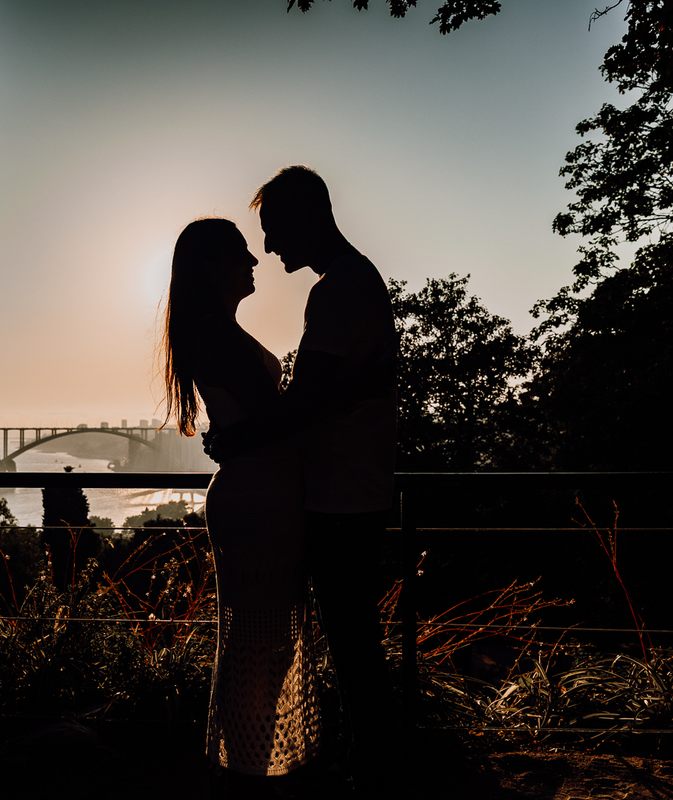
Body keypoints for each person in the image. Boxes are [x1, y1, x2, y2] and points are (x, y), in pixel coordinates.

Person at [207, 166, 399, 794]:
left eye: (272, 230)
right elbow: (329, 392)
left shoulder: (339, 289)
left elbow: (309, 399)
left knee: (350, 636)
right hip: (347, 487)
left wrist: (237, 439)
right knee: (348, 634)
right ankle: (365, 757)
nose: (267, 247)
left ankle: (372, 765)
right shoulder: (353, 281)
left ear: (305, 218)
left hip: (343, 493)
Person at [160, 217, 321, 781]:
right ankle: (245, 768)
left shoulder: (215, 331)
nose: (254, 264)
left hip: (261, 495)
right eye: (241, 255)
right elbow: (276, 417)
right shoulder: (215, 334)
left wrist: (235, 437)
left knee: (260, 643)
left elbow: (259, 419)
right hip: (259, 503)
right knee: (259, 645)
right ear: (211, 267)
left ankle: (245, 766)